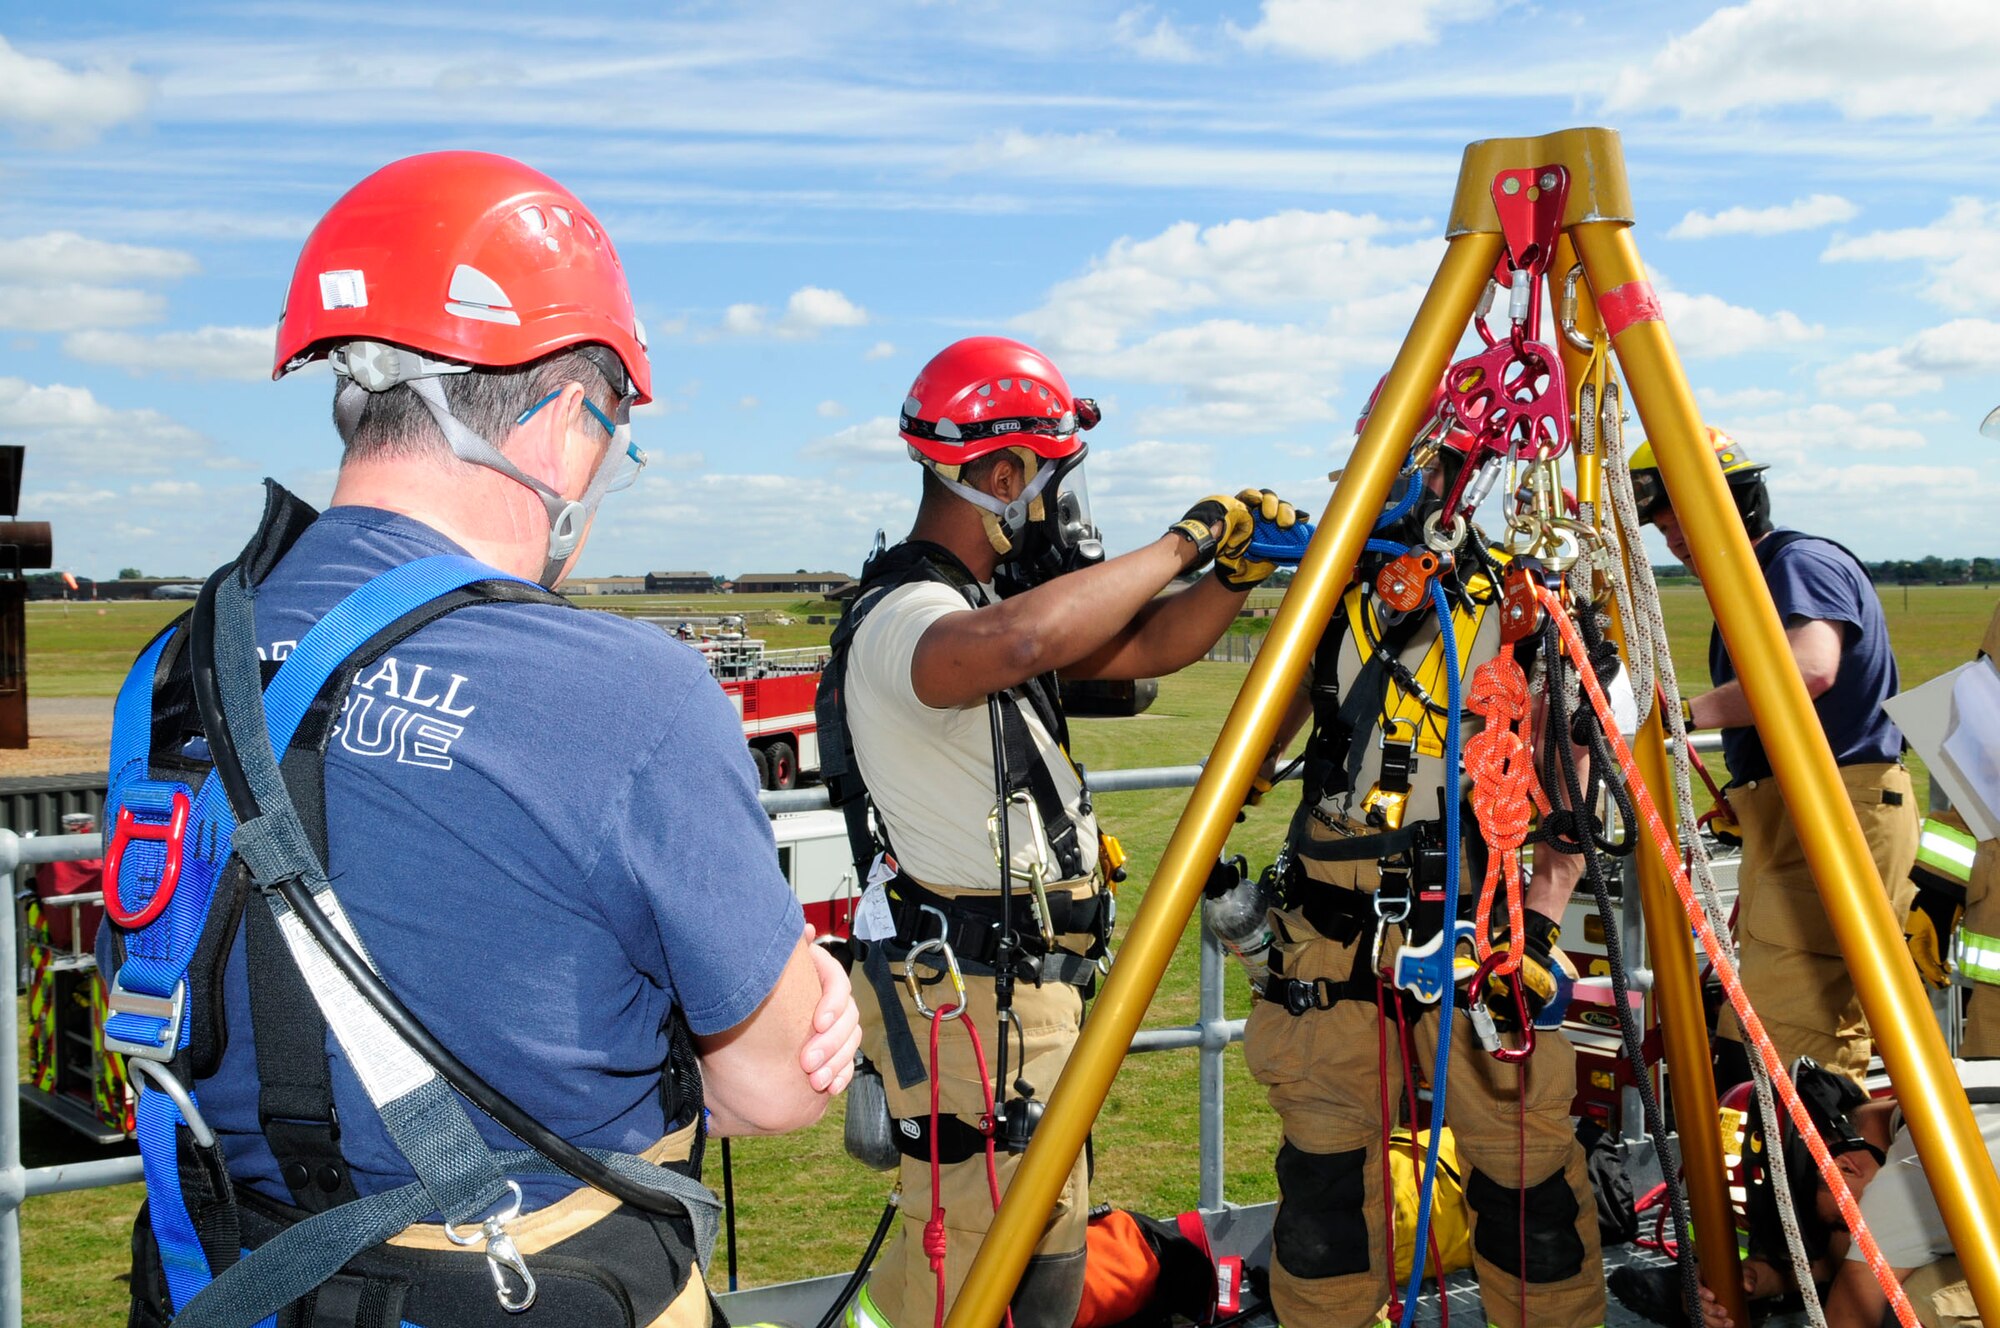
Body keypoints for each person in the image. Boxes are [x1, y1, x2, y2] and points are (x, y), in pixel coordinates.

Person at [103, 151, 858, 1326]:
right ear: (563, 426)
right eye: (613, 436)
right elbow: (768, 1085)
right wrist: (799, 984)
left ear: (352, 395)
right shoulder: (629, 694)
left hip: (225, 1284)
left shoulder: (172, 672)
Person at [823, 335, 1300, 1328]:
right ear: (1002, 475)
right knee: (987, 1268)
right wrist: (1180, 542)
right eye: (1055, 482)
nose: (1066, 512)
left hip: (1012, 997)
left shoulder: (978, 610)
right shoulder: (911, 613)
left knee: (1028, 1256)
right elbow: (1025, 640)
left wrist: (1231, 573)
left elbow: (1147, 643)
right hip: (968, 1003)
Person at [1242, 419, 1610, 1328]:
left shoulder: (1528, 601)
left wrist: (1546, 919)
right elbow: (1271, 722)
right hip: (1331, 950)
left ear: (1446, 474)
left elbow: (1576, 771)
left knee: (1533, 1202)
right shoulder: (1333, 599)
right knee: (1325, 1204)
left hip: (1482, 943)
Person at [1630, 427, 1918, 1088]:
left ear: (1737, 505)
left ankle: (1818, 1184)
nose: (1679, 546)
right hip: (1797, 814)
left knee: (1800, 1036)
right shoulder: (1755, 589)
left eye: (1684, 526)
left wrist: (1679, 714)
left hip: (1834, 806)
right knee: (1762, 1021)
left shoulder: (1796, 563)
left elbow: (1810, 668)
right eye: (1668, 534)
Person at [1688, 1060, 2000, 1328]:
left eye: (1838, 1222)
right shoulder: (1940, 1080)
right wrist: (1744, 1279)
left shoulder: (1913, 1168)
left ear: (1845, 1168)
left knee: (1904, 1303)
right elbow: (1839, 1261)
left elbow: (1848, 1312)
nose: (1845, 1233)